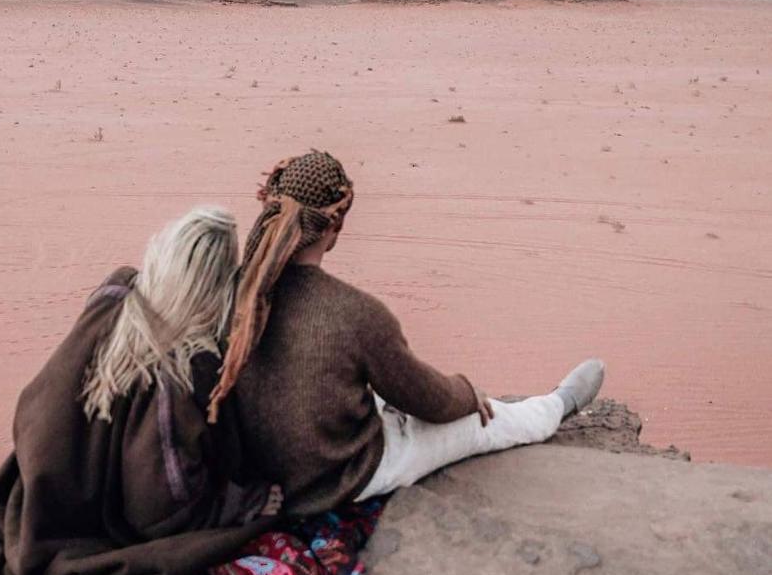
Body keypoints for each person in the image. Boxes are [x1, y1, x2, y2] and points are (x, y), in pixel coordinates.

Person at [0, 207, 281, 575]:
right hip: (84, 516)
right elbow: (160, 507)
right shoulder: (184, 370)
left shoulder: (113, 295)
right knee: (250, 520)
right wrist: (237, 505)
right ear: (215, 285)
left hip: (42, 481)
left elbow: (41, 401)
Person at [211, 151, 605, 515]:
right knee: (484, 424)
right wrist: (468, 394)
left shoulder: (230, 293)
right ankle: (555, 407)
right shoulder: (356, 313)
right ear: (335, 225)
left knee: (373, 391)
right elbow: (427, 400)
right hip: (341, 478)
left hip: (262, 480)